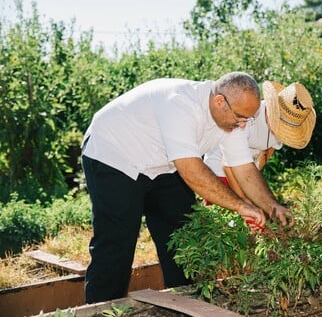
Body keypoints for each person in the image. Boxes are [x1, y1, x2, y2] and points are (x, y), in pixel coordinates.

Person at [81, 72, 293, 304]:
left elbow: (243, 168)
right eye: (240, 117)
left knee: (183, 237)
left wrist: (273, 207)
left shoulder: (231, 119)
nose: (243, 124)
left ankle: (184, 304)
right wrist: (240, 206)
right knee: (117, 245)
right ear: (219, 101)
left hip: (160, 164)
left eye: (248, 119)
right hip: (114, 153)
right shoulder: (179, 104)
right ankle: (100, 309)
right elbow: (191, 170)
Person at [204, 81, 316, 203]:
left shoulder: (284, 127)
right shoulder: (248, 117)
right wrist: (245, 201)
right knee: (224, 212)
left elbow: (266, 153)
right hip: (219, 170)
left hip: (243, 171)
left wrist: (252, 188)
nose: (281, 131)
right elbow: (227, 164)